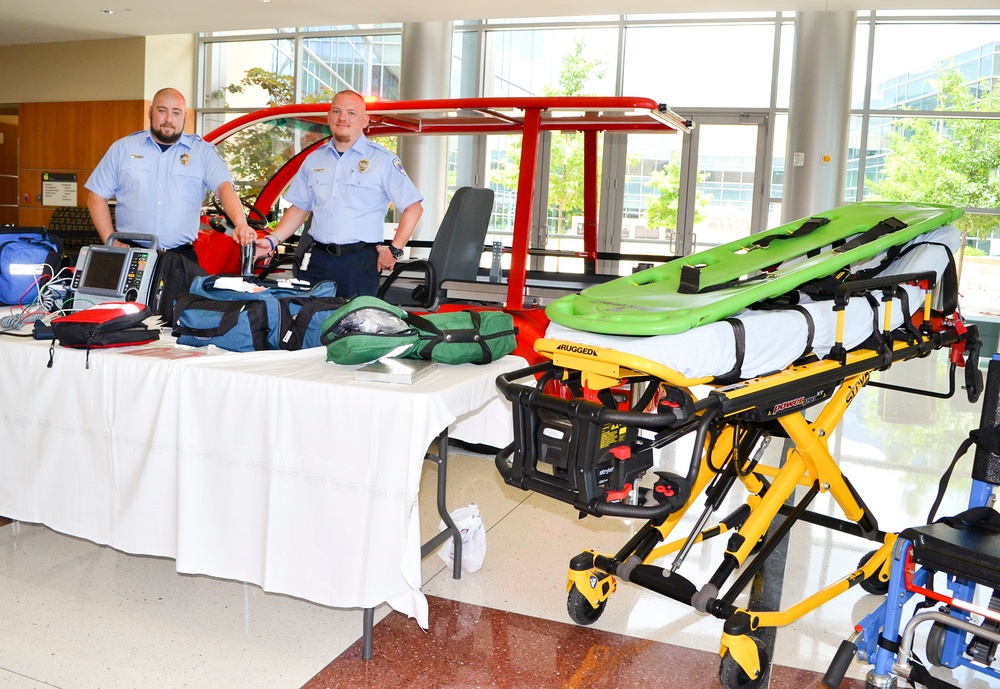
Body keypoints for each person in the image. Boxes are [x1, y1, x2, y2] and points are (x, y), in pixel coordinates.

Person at [254, 90, 423, 298]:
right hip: (317, 260)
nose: (342, 118)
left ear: (364, 120)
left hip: (359, 264)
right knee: (307, 324)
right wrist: (272, 241)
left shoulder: (382, 160)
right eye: (337, 111)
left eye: (351, 113)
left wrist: (395, 249)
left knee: (353, 327)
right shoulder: (314, 159)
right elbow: (300, 207)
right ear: (328, 117)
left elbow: (414, 207)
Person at [86, 87, 256, 263]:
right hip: (131, 253)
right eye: (162, 111)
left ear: (185, 117)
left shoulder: (203, 152)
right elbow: (96, 196)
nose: (169, 119)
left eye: (176, 113)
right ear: (150, 112)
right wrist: (109, 239)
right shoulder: (123, 148)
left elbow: (224, 188)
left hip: (180, 257)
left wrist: (241, 224)